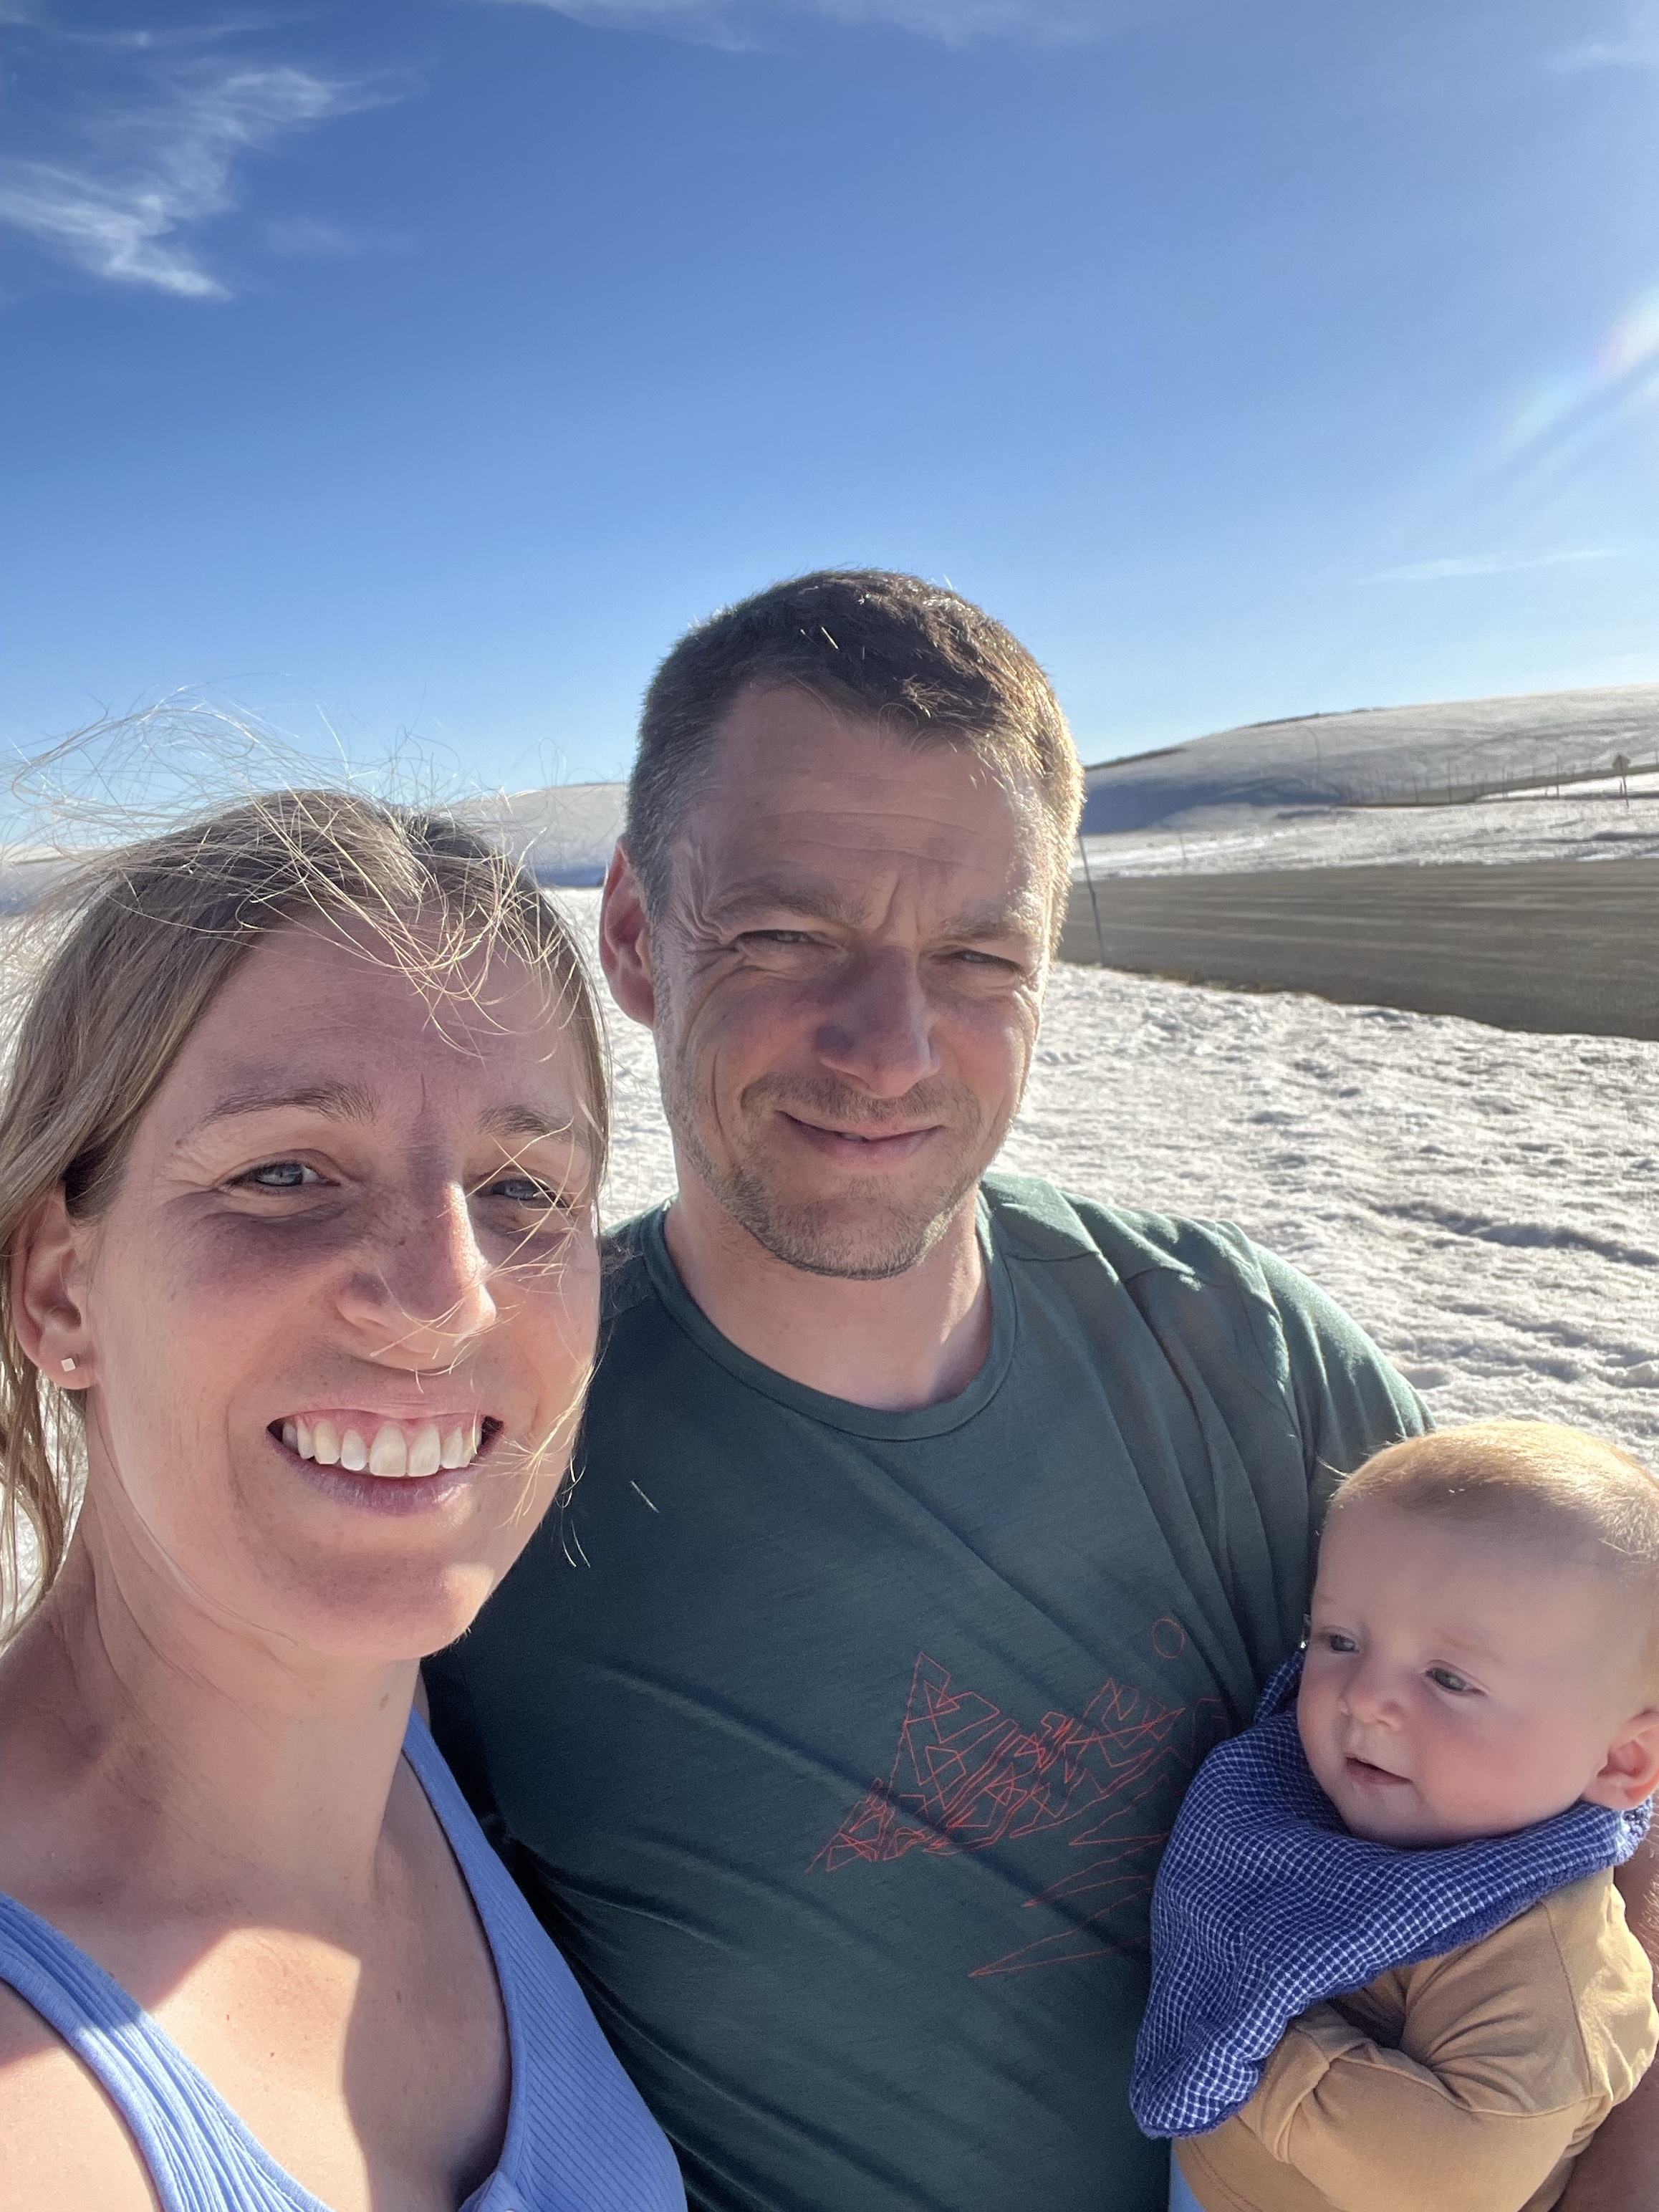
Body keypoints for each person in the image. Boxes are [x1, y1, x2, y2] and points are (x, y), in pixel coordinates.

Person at [425, 570, 1659, 2212]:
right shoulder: (484, 1446)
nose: (888, 1044)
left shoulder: (1245, 1364)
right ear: (639, 935)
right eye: (787, 932)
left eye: (976, 952)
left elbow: (1607, 1811)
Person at [0, 794, 686, 2212]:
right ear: (61, 1288)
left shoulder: (412, 1745)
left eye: (522, 1187)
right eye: (285, 1172)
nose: (444, 1296)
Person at [1135, 1421, 1659, 2212]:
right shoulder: (1293, 1795)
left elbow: (1447, 2179)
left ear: (1619, 1762)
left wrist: (1241, 2025)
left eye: (1449, 1678)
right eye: (1339, 1639)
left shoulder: (1541, 1959)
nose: (1366, 1698)